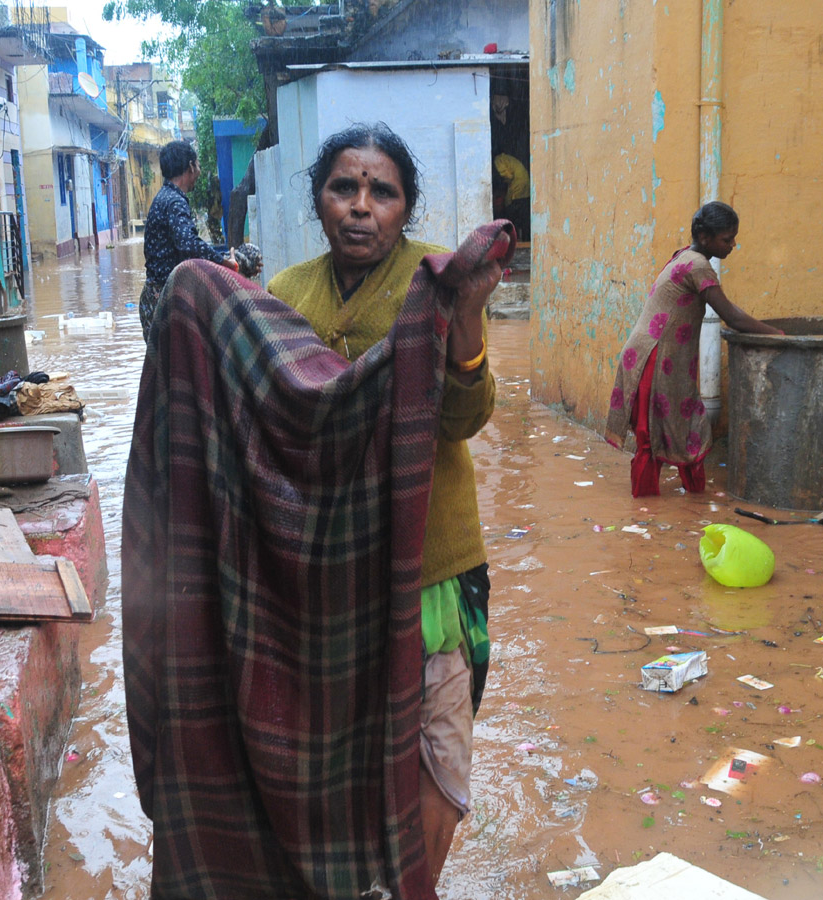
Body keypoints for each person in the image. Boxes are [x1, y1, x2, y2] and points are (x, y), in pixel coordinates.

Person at [266, 122, 502, 883]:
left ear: (405, 207)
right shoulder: (284, 295)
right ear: (318, 200)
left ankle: (417, 887)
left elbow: (466, 418)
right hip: (324, 567)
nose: (361, 207)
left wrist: (465, 318)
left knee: (437, 745)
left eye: (382, 191)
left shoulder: (433, 283)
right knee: (337, 741)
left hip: (431, 557)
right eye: (344, 187)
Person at [605, 201, 782, 497]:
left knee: (689, 428)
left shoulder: (685, 256)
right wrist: (777, 334)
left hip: (665, 360)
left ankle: (691, 504)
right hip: (654, 359)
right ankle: (646, 517)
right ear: (705, 238)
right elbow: (732, 316)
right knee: (653, 437)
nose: (733, 245)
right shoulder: (698, 266)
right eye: (727, 239)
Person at [139, 140, 237, 339]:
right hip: (164, 303)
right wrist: (224, 262)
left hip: (157, 298)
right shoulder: (174, 201)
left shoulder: (164, 197)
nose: (199, 172)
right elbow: (189, 244)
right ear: (191, 166)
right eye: (198, 165)